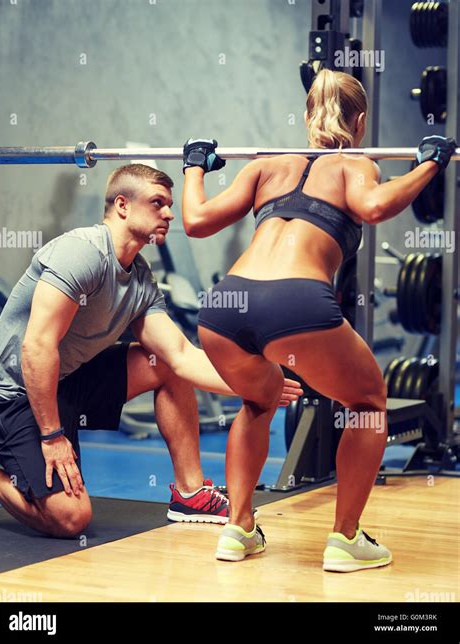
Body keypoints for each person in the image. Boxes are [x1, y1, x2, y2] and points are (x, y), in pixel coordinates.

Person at [181, 69, 457, 569]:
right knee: (369, 401)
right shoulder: (355, 165)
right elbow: (373, 209)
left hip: (225, 306)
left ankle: (237, 529)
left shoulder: (265, 166)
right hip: (296, 303)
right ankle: (345, 540)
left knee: (258, 402)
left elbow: (195, 222)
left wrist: (195, 164)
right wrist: (428, 165)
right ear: (361, 120)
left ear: (308, 115)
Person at [0, 163, 302, 538]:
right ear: (122, 205)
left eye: (169, 204)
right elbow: (36, 348)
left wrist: (252, 383)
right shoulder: (81, 253)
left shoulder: (139, 278)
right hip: (12, 394)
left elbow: (181, 355)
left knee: (165, 365)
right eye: (158, 203)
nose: (170, 213)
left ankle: (190, 493)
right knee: (71, 518)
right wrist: (53, 437)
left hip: (66, 380)